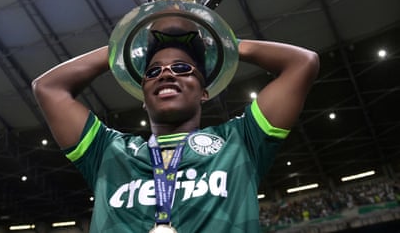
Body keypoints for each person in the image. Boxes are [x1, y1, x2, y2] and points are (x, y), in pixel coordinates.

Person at [32, 14, 319, 232]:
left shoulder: (240, 141)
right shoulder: (108, 152)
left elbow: (302, 63)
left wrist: (223, 43)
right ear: (143, 96)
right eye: (153, 71)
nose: (166, 75)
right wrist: (124, 46)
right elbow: (48, 88)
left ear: (205, 91)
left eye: (182, 69)